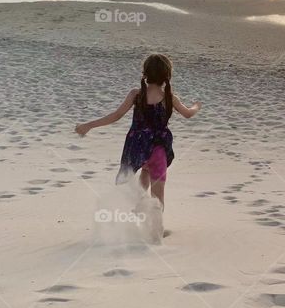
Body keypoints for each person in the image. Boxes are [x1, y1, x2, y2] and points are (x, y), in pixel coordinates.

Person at [75, 54, 201, 209]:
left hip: (137, 148)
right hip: (158, 150)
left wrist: (88, 125)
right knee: (158, 196)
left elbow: (116, 115)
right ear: (167, 75)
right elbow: (188, 113)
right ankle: (155, 231)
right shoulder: (169, 98)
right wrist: (196, 106)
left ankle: (136, 207)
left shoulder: (136, 94)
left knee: (134, 178)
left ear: (145, 73)